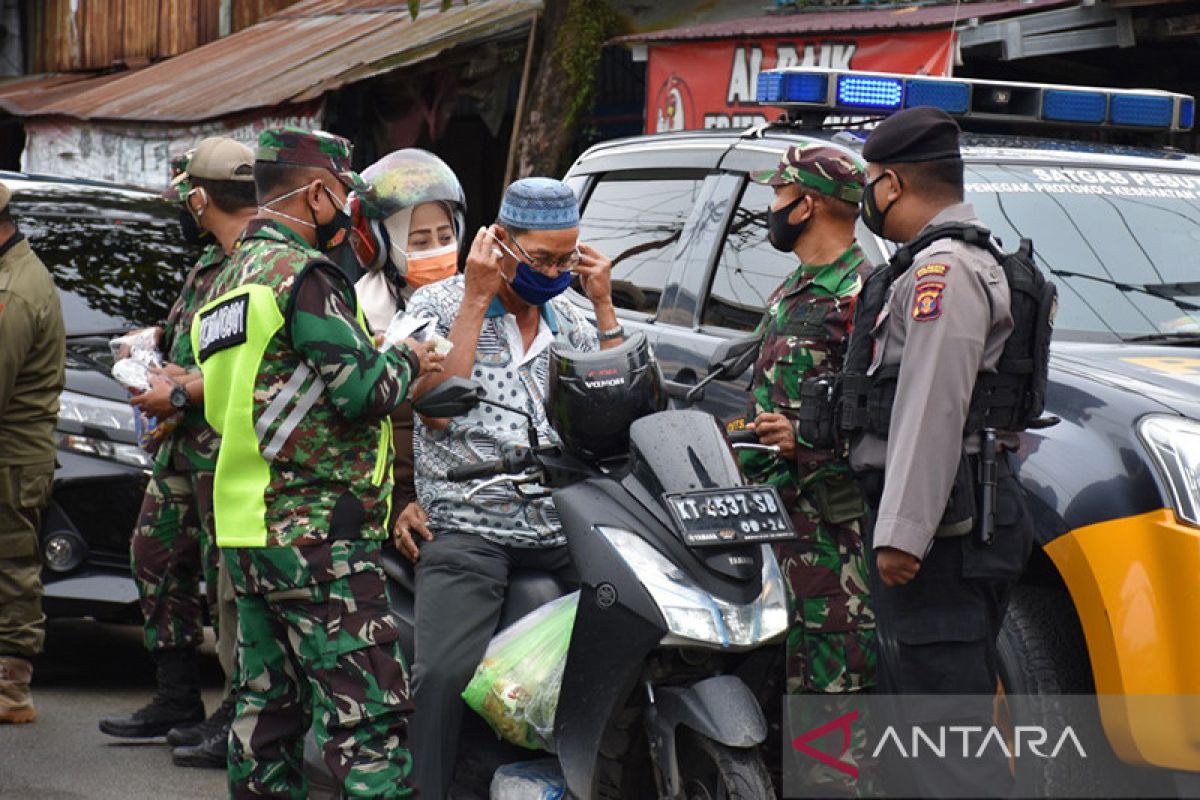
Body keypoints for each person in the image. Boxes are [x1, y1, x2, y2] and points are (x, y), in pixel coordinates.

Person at [191, 127, 441, 799]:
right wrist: (411, 358)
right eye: (344, 199)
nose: (347, 216)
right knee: (367, 723)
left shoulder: (225, 281)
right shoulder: (306, 276)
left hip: (247, 534)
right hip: (317, 537)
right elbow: (364, 393)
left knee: (265, 722)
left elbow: (227, 407)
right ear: (319, 193)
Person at [403, 177, 621, 799]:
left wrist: (603, 305)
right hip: (470, 525)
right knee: (443, 673)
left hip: (563, 521)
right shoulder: (436, 306)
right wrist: (474, 299)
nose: (555, 272)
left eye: (566, 259)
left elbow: (622, 406)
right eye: (542, 258)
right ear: (498, 243)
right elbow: (437, 409)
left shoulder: (573, 317)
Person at [844, 106, 1035, 796]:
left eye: (868, 182)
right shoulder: (939, 261)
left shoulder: (944, 270)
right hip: (950, 519)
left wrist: (903, 533)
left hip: (944, 530)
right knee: (914, 738)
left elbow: (932, 405)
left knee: (949, 744)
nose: (867, 196)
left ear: (890, 184)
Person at [98, 138, 256, 770]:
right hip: (182, 449)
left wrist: (180, 394)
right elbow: (188, 340)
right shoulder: (206, 265)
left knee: (233, 591)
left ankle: (239, 714)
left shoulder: (256, 265)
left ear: (200, 197)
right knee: (155, 556)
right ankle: (176, 696)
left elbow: (247, 367)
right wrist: (152, 360)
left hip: (227, 452)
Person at [741, 143, 876, 699]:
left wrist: (807, 445)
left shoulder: (863, 296)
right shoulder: (793, 287)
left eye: (778, 192)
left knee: (833, 701)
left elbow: (887, 420)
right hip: (777, 523)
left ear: (808, 204)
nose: (771, 206)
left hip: (832, 534)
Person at [350, 149, 466, 559]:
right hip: (394, 505)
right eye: (419, 241)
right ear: (381, 245)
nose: (436, 250)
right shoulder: (357, 318)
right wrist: (395, 507)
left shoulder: (477, 303)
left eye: (445, 237)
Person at [0, 181, 65, 724]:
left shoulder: (15, 291)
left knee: (12, 568)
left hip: (12, 459)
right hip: (14, 455)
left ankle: (10, 692)